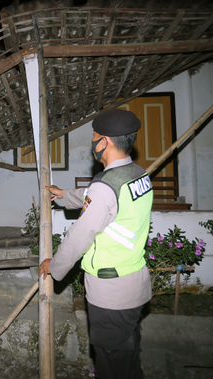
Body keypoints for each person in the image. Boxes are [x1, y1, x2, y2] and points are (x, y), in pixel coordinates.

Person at [39, 109, 153, 379]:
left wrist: (54, 266)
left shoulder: (106, 186)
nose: (92, 142)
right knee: (128, 359)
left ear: (104, 142)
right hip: (133, 283)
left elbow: (80, 235)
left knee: (112, 366)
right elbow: (98, 196)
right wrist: (65, 195)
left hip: (111, 292)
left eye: (94, 137)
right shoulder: (137, 174)